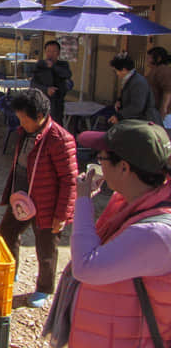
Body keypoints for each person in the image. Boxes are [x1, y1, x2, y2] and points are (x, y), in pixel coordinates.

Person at [44, 120, 171, 347]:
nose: (98, 165)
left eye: (101, 159)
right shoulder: (135, 203)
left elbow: (86, 266)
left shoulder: (155, 233)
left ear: (124, 167)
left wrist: (82, 201)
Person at [0, 88, 78, 308]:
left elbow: (70, 180)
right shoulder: (25, 132)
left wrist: (62, 215)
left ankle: (44, 288)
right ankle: (10, 270)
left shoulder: (60, 139)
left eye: (24, 118)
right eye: (19, 117)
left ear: (40, 116)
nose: (21, 122)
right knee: (7, 230)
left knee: (46, 248)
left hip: (46, 203)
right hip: (22, 198)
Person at [108, 52, 162, 126]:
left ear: (123, 69)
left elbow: (137, 107)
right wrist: (119, 100)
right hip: (137, 122)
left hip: (145, 123)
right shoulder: (131, 79)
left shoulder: (138, 82)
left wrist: (119, 116)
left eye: (116, 71)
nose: (116, 74)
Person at [31, 40, 72, 125]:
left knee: (55, 125)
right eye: (49, 51)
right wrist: (46, 89)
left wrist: (53, 66)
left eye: (54, 51)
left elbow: (67, 74)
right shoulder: (40, 65)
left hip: (57, 102)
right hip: (42, 101)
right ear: (45, 52)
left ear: (58, 53)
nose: (51, 54)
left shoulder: (63, 64)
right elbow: (33, 84)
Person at [146, 46, 171, 124]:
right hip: (155, 112)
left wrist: (163, 109)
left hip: (165, 115)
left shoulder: (163, 70)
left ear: (158, 58)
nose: (147, 60)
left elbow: (168, 91)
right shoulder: (155, 70)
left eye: (149, 58)